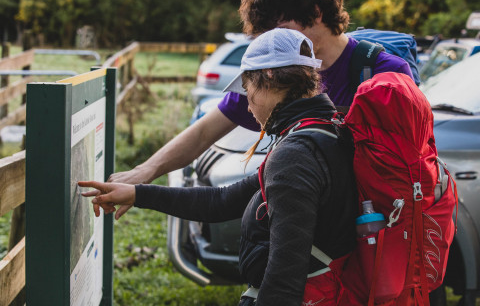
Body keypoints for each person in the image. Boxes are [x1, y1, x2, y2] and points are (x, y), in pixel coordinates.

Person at [80, 28, 357, 306]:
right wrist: (137, 194)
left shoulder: (296, 156)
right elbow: (224, 200)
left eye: (247, 90)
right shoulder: (323, 132)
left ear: (268, 78)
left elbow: (285, 279)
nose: (248, 107)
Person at [107, 0, 413, 211]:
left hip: (370, 232)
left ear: (317, 14)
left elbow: (405, 167)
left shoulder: (383, 73)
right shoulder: (273, 74)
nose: (270, 43)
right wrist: (143, 172)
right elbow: (203, 132)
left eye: (278, 30)